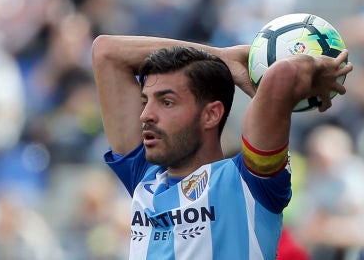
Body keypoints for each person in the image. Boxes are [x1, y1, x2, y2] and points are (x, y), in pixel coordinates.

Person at [91, 34, 352, 260]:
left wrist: (314, 65)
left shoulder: (251, 183)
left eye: (166, 102)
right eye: (145, 100)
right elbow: (106, 51)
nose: (145, 114)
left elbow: (282, 75)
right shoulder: (145, 179)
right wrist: (220, 57)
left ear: (211, 115)